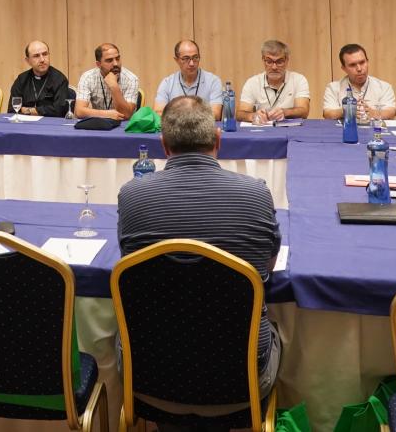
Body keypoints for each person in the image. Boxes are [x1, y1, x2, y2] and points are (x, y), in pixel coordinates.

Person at [117, 96, 281, 405]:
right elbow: (267, 266)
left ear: (164, 145)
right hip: (241, 377)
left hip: (151, 371)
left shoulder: (131, 196)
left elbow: (132, 262)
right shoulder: (255, 193)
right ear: (218, 140)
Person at [237, 40, 309, 124]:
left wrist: (284, 112)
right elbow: (240, 114)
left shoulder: (298, 80)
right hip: (261, 131)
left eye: (279, 62)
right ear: (263, 60)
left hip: (290, 130)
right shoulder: (252, 83)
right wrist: (254, 116)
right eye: (269, 61)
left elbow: (304, 111)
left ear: (287, 61)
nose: (274, 67)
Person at [322, 44, 396, 121]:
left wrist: (373, 113)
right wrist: (346, 111)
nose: (359, 69)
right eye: (352, 65)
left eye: (362, 62)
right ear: (344, 68)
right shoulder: (333, 88)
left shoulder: (384, 87)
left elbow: (391, 112)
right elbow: (327, 114)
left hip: (375, 131)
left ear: (367, 62)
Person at [153, 39, 225, 119]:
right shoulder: (167, 83)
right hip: (176, 130)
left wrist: (178, 116)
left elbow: (216, 114)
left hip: (203, 129)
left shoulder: (213, 81)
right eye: (186, 58)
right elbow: (158, 113)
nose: (191, 63)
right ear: (176, 60)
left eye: (195, 57)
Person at [74, 43, 139, 122]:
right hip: (99, 125)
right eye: (109, 60)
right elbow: (79, 111)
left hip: (124, 127)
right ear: (98, 64)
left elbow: (126, 114)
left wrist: (114, 87)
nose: (115, 64)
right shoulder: (88, 77)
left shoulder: (131, 79)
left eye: (117, 59)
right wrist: (107, 114)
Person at [8, 40, 70, 117]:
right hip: (25, 125)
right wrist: (44, 110)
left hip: (50, 125)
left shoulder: (60, 79)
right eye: (36, 56)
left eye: (45, 54)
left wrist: (29, 110)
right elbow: (12, 109)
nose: (42, 60)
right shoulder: (21, 79)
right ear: (28, 61)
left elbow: (59, 110)